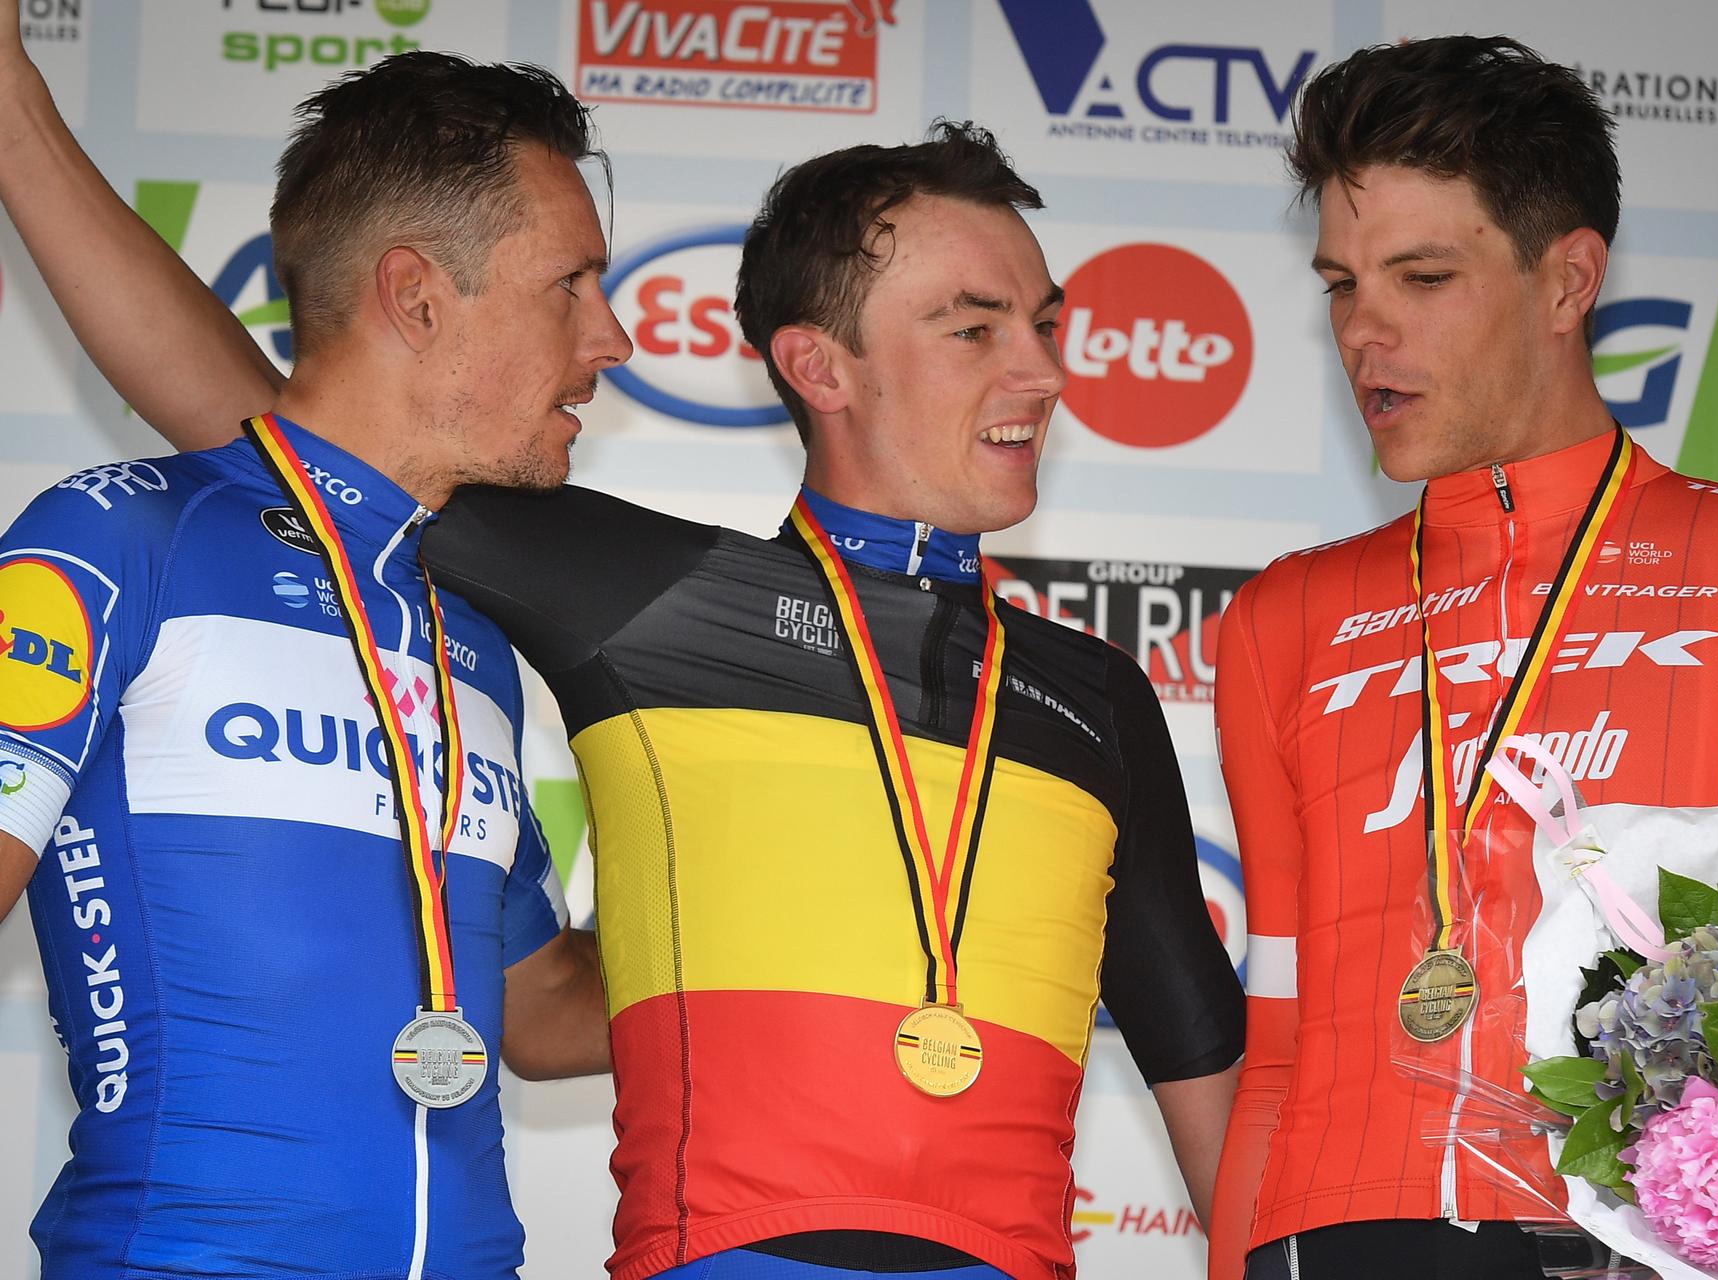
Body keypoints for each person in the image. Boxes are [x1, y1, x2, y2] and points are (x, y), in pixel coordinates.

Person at [0, 29, 1246, 1280]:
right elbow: (285, 427)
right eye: (975, 329)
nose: (1043, 367)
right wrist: (19, 120)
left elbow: (542, 1006)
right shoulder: (630, 595)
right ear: (818, 364)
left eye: (1045, 322)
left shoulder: (1090, 694)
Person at [1207, 33, 1718, 1280]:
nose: (1363, 330)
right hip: (1332, 1231)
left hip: (1654, 1237)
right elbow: (1275, 1047)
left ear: (1568, 279)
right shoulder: (1283, 618)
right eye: (1339, 283)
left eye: (1421, 276)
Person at [0, 25, 620, 1280]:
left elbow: (546, 1005)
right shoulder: (121, 538)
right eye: (572, 285)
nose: (612, 337)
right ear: (415, 294)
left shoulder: (477, 628)